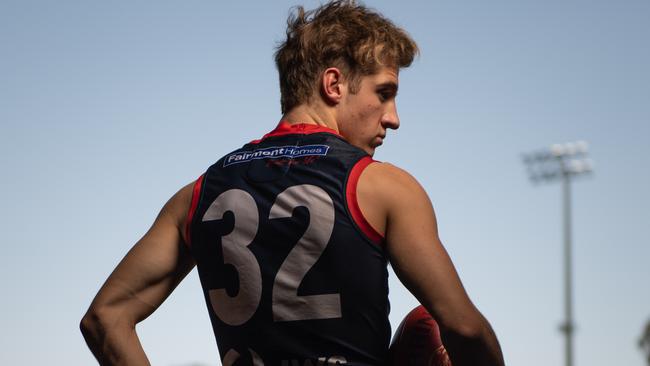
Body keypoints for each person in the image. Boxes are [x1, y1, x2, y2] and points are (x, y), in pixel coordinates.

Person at [80, 1, 505, 365]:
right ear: (334, 84)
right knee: (427, 328)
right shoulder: (382, 187)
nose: (393, 117)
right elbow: (464, 328)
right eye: (384, 93)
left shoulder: (197, 194)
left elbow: (105, 317)